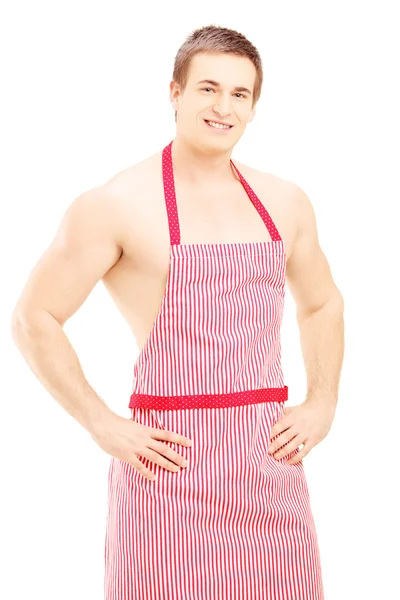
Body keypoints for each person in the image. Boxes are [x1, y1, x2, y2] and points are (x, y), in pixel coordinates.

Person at [11, 24, 344, 600]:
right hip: (166, 466)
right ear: (175, 92)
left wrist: (322, 401)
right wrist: (101, 422)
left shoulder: (285, 201)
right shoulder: (114, 205)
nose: (223, 107)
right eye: (207, 88)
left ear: (254, 106)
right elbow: (33, 316)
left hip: (268, 463)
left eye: (240, 94)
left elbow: (321, 303)